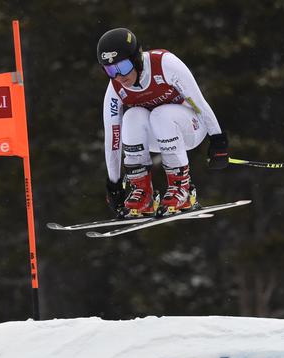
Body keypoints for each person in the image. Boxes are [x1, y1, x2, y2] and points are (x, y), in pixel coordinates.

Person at [98, 27, 229, 218]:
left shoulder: (165, 64)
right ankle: (142, 193)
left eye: (123, 67)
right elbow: (113, 138)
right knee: (131, 116)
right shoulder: (115, 90)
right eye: (110, 70)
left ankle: (181, 189)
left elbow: (199, 103)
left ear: (136, 58)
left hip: (191, 128)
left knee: (161, 114)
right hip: (159, 137)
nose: (119, 76)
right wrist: (114, 183)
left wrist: (218, 140)